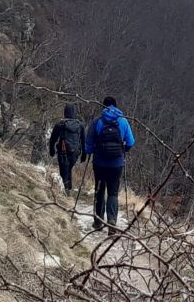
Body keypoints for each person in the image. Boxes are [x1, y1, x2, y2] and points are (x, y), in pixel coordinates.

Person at [86, 97, 135, 232]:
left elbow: (88, 145)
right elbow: (131, 143)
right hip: (116, 164)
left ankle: (98, 222)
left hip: (100, 163)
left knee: (99, 191)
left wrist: (91, 150)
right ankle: (112, 220)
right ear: (116, 106)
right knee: (113, 192)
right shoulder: (123, 121)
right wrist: (122, 150)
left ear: (103, 106)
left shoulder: (97, 121)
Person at [47, 104, 88, 193]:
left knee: (64, 171)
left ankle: (65, 192)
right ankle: (68, 189)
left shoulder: (60, 124)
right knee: (68, 169)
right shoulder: (80, 125)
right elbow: (84, 141)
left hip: (63, 151)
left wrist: (52, 149)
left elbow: (53, 139)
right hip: (75, 153)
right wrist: (84, 154)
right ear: (74, 112)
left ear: (65, 112)